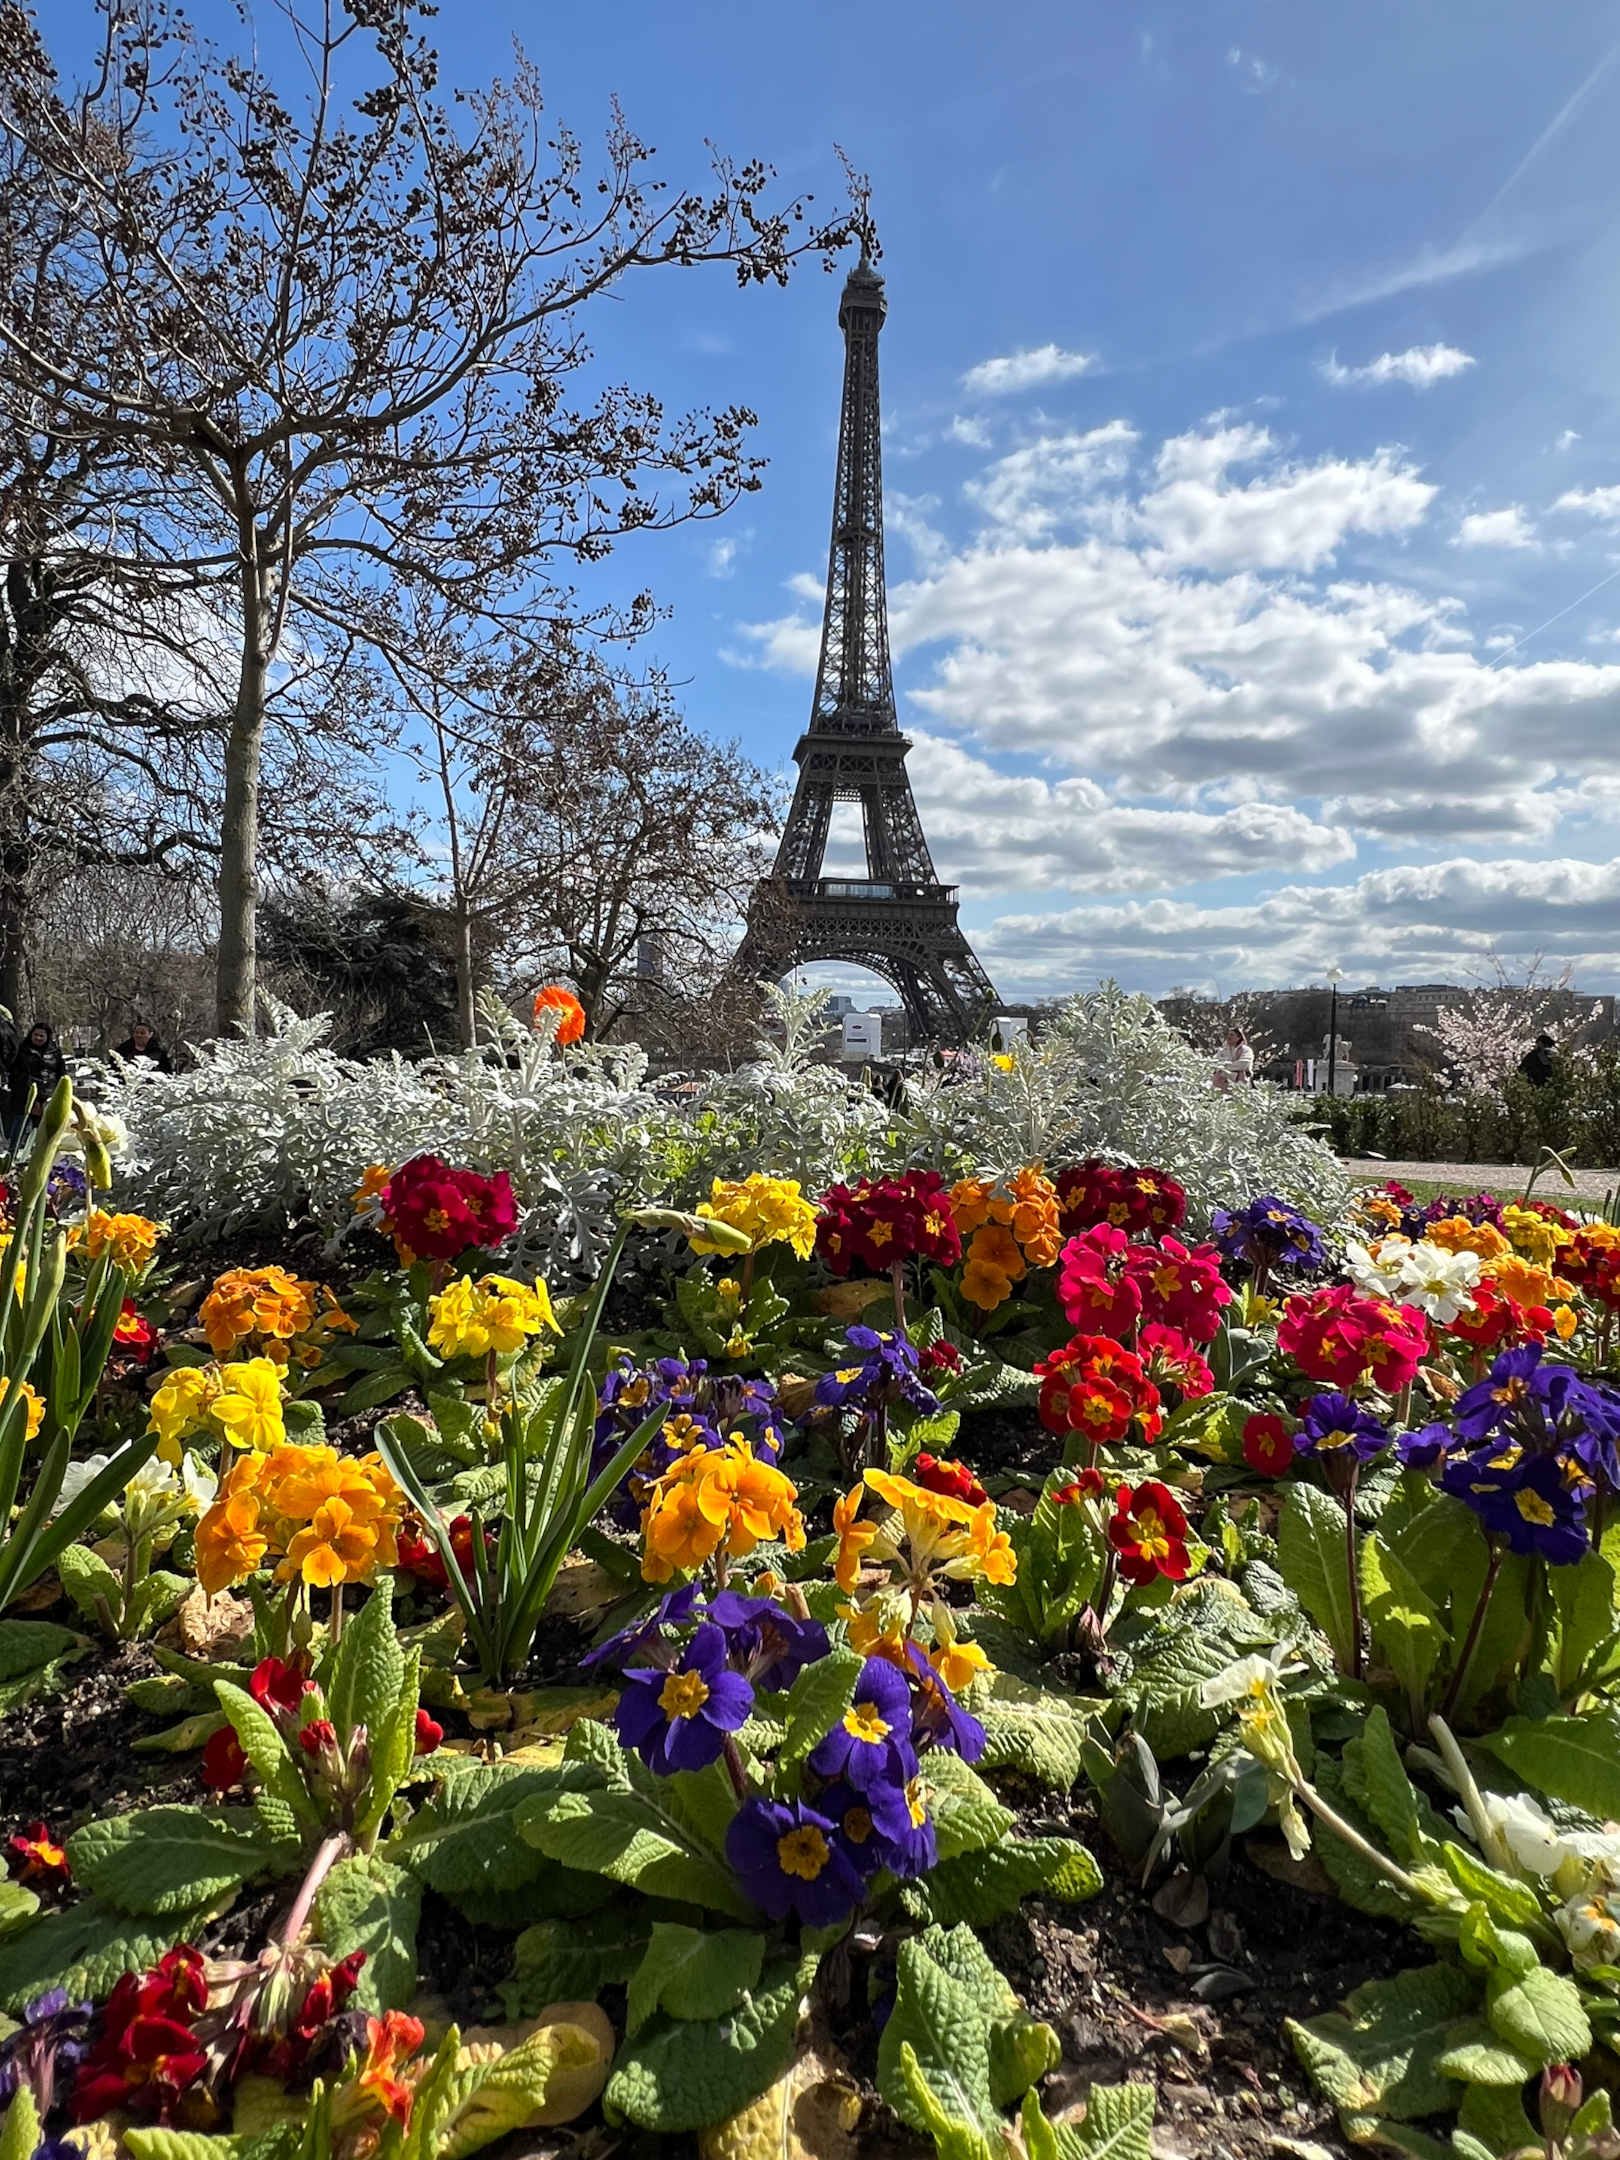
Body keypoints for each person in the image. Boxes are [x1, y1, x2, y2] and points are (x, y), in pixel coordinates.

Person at [6, 1021, 67, 1147]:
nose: (38, 1038)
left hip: (48, 1094)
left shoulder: (54, 1052)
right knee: (21, 1127)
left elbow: (61, 1074)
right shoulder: (21, 1050)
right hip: (24, 1095)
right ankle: (14, 1153)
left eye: (42, 1036)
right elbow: (12, 1070)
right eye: (36, 1035)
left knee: (43, 1131)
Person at [1212, 1025, 1255, 1092]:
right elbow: (1214, 1063)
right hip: (1221, 1084)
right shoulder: (1222, 1051)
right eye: (1228, 1035)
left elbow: (1244, 1063)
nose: (1228, 1037)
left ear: (1238, 1038)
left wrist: (1225, 1067)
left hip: (1239, 1084)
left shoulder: (1246, 1050)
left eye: (1232, 1035)